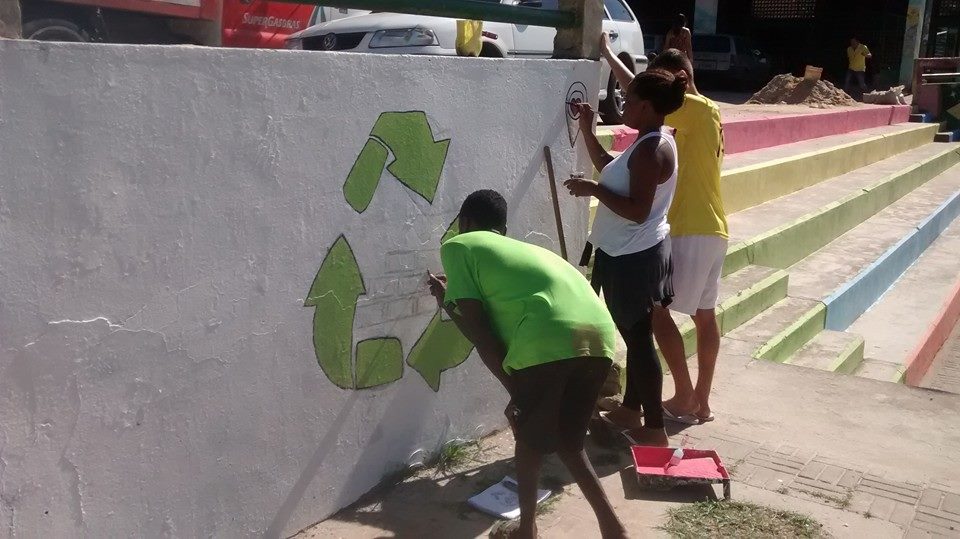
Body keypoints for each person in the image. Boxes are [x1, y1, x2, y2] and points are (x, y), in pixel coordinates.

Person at [428, 190, 628, 539]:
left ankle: (528, 531)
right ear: (502, 229)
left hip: (549, 338)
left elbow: (482, 334)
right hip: (599, 337)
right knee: (569, 443)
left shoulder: (458, 246)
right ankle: (614, 529)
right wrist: (450, 302)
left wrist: (517, 393)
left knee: (530, 443)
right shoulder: (527, 253)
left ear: (465, 223)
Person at [602, 40, 727, 426]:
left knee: (656, 314)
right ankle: (700, 401)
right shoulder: (709, 114)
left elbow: (643, 95)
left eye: (665, 80)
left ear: (682, 81)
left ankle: (686, 395)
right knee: (704, 317)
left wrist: (608, 56)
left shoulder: (694, 109)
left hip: (690, 227)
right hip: (712, 227)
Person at [563, 67, 687, 447]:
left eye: (630, 100)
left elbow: (637, 209)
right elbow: (613, 171)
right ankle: (632, 410)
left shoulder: (652, 149)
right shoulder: (648, 141)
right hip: (628, 252)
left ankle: (653, 429)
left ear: (648, 106)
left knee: (639, 341)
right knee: (635, 339)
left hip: (636, 256)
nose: (624, 105)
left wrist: (593, 190)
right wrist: (587, 128)